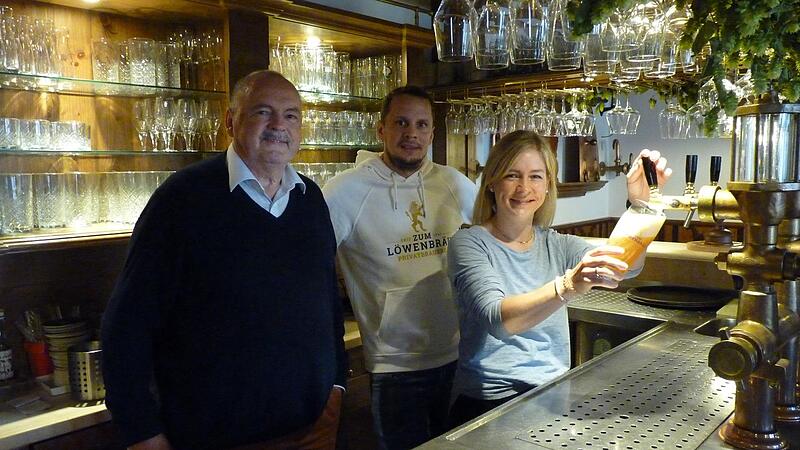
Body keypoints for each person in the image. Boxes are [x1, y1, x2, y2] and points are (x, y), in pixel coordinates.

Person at [101, 70, 347, 450]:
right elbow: (127, 324)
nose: (279, 125)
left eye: (291, 115)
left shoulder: (309, 198)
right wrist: (141, 431)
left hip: (311, 430)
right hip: (214, 437)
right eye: (263, 112)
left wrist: (336, 387)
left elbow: (327, 304)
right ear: (231, 121)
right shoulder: (183, 198)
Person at [446, 130, 671, 427]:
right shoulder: (470, 243)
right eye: (512, 175)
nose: (524, 187)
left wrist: (641, 206)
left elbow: (624, 266)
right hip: (488, 402)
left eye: (536, 176)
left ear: (548, 185)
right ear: (492, 181)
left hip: (550, 394)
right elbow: (499, 320)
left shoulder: (556, 244)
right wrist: (567, 285)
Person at [322, 86, 476, 449]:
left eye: (422, 125)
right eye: (402, 123)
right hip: (393, 363)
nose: (412, 134)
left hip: (456, 353)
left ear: (432, 134)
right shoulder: (345, 190)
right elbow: (308, 261)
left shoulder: (452, 182)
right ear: (382, 130)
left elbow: (499, 223)